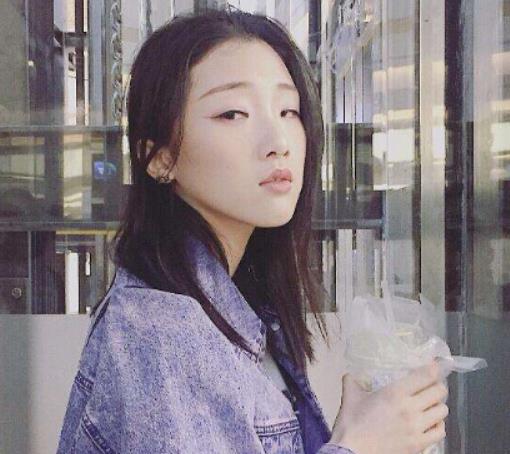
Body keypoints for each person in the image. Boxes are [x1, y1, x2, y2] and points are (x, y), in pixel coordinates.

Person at [56, 8, 449, 454]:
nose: (278, 141)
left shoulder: (235, 301)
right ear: (160, 158)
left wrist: (351, 434)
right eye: (232, 113)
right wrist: (363, 445)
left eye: (288, 110)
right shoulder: (162, 330)